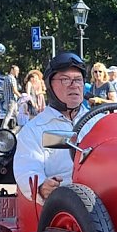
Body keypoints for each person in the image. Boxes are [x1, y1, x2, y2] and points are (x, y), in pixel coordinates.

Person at [13, 52, 89, 202]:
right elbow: (27, 169)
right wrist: (42, 187)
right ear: (49, 85)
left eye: (78, 80)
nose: (74, 85)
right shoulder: (34, 130)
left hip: (105, 202)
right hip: (61, 209)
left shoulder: (99, 121)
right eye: (65, 80)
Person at [1, 64, 20, 129]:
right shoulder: (12, 78)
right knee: (9, 114)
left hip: (7, 99)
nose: (17, 72)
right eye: (16, 71)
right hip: (12, 100)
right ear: (12, 70)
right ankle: (3, 127)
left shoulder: (6, 78)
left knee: (15, 113)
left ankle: (17, 125)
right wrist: (21, 96)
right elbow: (14, 90)